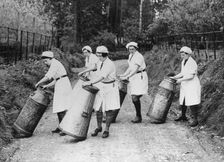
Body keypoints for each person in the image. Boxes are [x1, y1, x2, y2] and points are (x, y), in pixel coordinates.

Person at [83, 45, 120, 138]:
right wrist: (83, 72)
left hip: (110, 87)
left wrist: (90, 82)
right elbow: (95, 67)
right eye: (97, 54)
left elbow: (101, 77)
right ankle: (99, 127)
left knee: (108, 109)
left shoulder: (109, 64)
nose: (98, 57)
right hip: (102, 86)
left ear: (104, 55)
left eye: (99, 55)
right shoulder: (100, 62)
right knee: (98, 108)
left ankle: (106, 129)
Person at [35, 51, 72, 135]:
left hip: (63, 85)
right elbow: (56, 79)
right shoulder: (54, 64)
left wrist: (38, 83)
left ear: (50, 58)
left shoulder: (55, 64)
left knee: (62, 107)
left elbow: (48, 76)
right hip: (60, 83)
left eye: (46, 61)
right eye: (44, 61)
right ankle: (60, 127)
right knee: (59, 107)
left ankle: (64, 128)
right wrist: (47, 86)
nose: (45, 63)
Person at [170, 46, 201, 127]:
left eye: (183, 55)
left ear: (188, 54)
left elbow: (191, 76)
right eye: (181, 54)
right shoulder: (183, 61)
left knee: (192, 101)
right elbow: (182, 73)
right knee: (183, 100)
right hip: (185, 83)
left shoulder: (192, 63)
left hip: (192, 84)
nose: (182, 56)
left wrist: (180, 80)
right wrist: (175, 77)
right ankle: (183, 116)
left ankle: (195, 120)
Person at [120, 42, 148, 123]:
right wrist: (124, 74)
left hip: (140, 76)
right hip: (135, 77)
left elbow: (135, 69)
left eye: (133, 49)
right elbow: (130, 67)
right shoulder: (130, 56)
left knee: (135, 97)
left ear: (136, 49)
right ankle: (138, 116)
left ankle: (138, 116)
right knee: (134, 96)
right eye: (130, 49)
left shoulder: (139, 56)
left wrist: (128, 76)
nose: (131, 50)